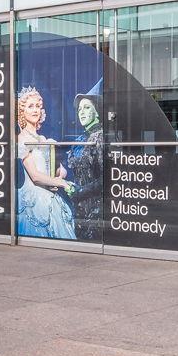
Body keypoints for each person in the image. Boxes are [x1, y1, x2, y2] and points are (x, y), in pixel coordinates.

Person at [15, 87, 76, 239]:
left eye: (38, 106)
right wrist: (62, 183)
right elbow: (35, 176)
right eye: (30, 106)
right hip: (35, 198)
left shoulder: (44, 140)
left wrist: (59, 173)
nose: (35, 110)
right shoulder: (21, 139)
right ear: (22, 111)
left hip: (52, 195)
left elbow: (56, 170)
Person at [64, 79, 107, 240]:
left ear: (97, 111)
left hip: (96, 206)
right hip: (79, 206)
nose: (81, 112)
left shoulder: (100, 137)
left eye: (87, 107)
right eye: (80, 108)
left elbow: (105, 178)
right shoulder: (81, 139)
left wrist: (80, 191)